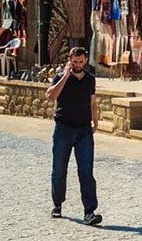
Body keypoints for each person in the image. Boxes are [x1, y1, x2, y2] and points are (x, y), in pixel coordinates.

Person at [45, 47, 101, 226]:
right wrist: (65, 77)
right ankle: (57, 204)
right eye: (75, 62)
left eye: (81, 62)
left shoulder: (90, 79)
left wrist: (95, 122)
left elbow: (93, 102)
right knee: (59, 168)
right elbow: (50, 95)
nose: (78, 65)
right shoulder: (60, 76)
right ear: (70, 60)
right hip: (63, 129)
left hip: (84, 130)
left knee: (86, 171)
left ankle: (89, 211)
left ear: (85, 61)